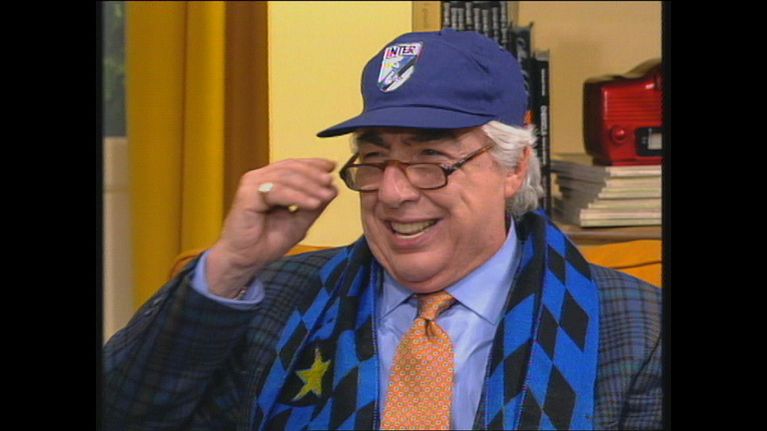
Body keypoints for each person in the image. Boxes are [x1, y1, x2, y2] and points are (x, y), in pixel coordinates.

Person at [103, 29, 661, 430]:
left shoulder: (638, 330)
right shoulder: (274, 300)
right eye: (374, 159)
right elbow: (124, 413)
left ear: (513, 167)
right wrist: (231, 265)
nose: (393, 193)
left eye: (431, 159)